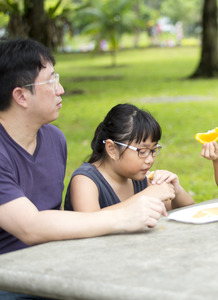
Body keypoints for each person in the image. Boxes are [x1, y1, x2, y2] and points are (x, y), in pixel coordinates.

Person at [0, 38, 169, 259]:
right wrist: (126, 215)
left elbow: (54, 216)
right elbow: (30, 226)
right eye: (51, 81)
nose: (60, 90)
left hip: (53, 260)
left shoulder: (53, 138)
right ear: (21, 96)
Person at [64, 103, 194, 212]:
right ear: (112, 149)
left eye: (153, 150)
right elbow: (88, 222)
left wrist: (176, 190)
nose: (150, 159)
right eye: (142, 151)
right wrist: (144, 197)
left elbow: (188, 211)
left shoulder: (141, 179)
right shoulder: (85, 181)